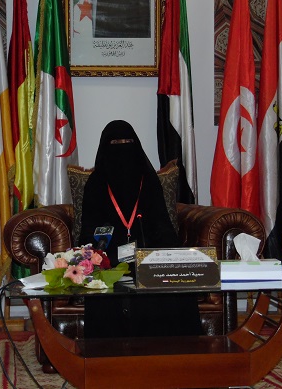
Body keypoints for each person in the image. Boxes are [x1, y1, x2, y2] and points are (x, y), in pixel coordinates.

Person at [79, 120, 203, 338]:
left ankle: (176, 347)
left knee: (174, 286)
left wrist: (163, 257)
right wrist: (102, 257)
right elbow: (89, 231)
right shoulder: (95, 184)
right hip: (109, 259)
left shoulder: (149, 181)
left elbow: (162, 225)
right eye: (115, 143)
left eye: (128, 142)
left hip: (148, 258)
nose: (122, 148)